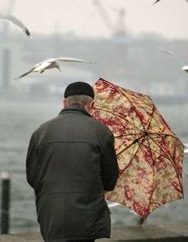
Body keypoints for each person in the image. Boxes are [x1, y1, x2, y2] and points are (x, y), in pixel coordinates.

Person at [26, 81, 119, 242]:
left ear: (64, 103)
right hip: (89, 219)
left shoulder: (40, 132)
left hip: (51, 218)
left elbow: (33, 177)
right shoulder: (102, 132)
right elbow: (110, 181)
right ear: (91, 104)